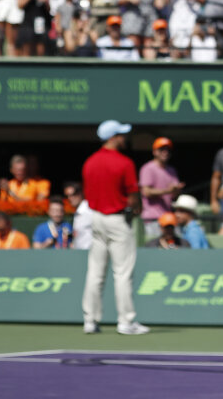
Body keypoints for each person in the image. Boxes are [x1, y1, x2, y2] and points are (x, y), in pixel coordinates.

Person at [81, 119, 148, 335]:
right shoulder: (124, 163)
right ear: (112, 138)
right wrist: (136, 209)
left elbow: (89, 195)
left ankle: (90, 321)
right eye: (120, 134)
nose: (123, 138)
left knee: (95, 272)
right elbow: (133, 194)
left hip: (97, 219)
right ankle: (125, 322)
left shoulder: (89, 162)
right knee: (122, 272)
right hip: (117, 220)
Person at [138, 136, 183, 240]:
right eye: (161, 149)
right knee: (154, 249)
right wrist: (168, 190)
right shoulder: (148, 168)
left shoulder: (171, 170)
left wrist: (176, 191)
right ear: (154, 152)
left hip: (169, 218)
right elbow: (146, 192)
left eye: (167, 150)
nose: (165, 152)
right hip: (152, 219)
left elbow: (173, 195)